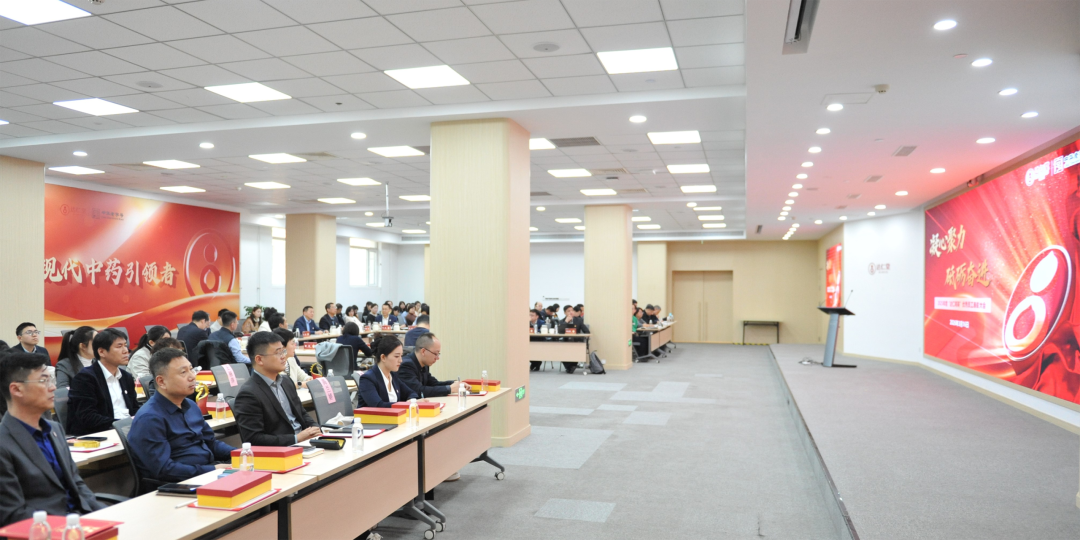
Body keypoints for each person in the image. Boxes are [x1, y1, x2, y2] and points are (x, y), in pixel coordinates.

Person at [0, 352, 106, 527]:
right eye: (43, 381)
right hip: (44, 530)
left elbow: (77, 484)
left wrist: (103, 515)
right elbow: (13, 514)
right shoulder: (4, 443)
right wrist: (69, 526)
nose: (53, 387)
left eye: (50, 380)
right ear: (16, 389)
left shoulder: (54, 429)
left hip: (79, 522)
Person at [128, 348, 234, 483]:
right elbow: (164, 470)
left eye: (191, 369)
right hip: (179, 484)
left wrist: (240, 454)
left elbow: (211, 443)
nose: (192, 376)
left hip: (207, 472)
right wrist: (213, 470)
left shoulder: (191, 406)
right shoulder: (149, 418)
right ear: (161, 381)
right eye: (183, 372)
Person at [233, 332, 321, 445]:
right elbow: (254, 439)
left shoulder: (286, 381)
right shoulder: (248, 394)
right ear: (259, 359)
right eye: (278, 353)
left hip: (305, 443)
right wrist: (296, 438)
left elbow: (302, 413)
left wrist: (315, 428)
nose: (283, 356)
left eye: (283, 351)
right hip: (284, 449)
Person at [67, 328, 139, 436]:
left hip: (128, 430)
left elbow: (134, 408)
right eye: (119, 346)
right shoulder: (85, 378)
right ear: (101, 352)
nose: (126, 351)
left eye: (125, 345)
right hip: (101, 433)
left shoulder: (126, 377)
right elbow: (87, 417)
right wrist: (122, 425)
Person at [356, 335, 418, 408]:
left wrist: (411, 401)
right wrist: (405, 405)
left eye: (401, 356)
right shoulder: (368, 379)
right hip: (370, 416)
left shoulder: (392, 375)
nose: (400, 360)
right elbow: (378, 406)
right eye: (396, 356)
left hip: (392, 415)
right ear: (383, 357)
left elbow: (412, 393)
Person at [398, 333, 465, 398]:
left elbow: (434, 384)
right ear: (423, 351)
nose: (438, 358)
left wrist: (454, 383)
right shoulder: (406, 365)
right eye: (435, 354)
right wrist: (450, 389)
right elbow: (418, 391)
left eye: (438, 354)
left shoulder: (423, 364)